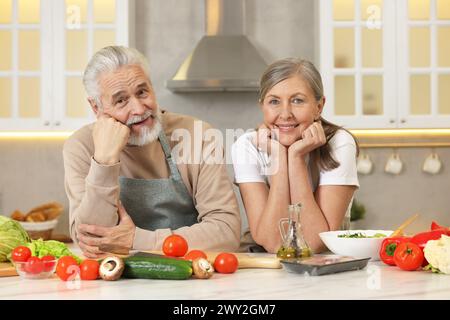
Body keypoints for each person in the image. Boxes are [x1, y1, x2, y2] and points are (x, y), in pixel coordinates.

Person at [63, 46, 241, 258]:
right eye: (121, 100)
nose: (139, 109)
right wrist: (104, 160)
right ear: (96, 108)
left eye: (142, 92)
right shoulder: (81, 146)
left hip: (189, 275)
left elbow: (225, 231)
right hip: (116, 280)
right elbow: (93, 241)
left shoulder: (199, 135)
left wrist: (135, 240)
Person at [231, 58, 359, 254]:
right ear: (262, 106)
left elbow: (315, 243)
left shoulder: (339, 143)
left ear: (319, 106)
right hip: (265, 264)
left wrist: (296, 158)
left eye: (297, 100)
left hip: (327, 265)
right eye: (274, 101)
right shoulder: (247, 146)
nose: (285, 114)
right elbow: (273, 244)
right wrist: (280, 158)